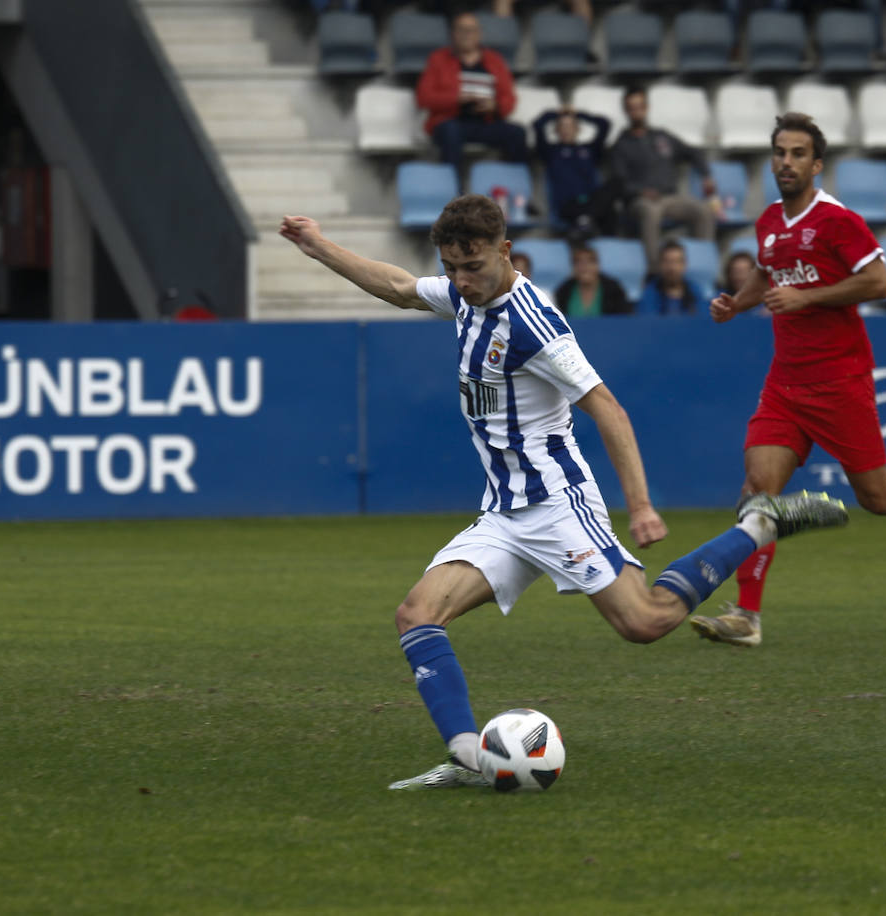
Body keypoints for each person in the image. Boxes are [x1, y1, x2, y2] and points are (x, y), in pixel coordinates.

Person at [279, 194, 849, 789]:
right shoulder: (465, 298)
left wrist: (643, 506)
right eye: (451, 267)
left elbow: (610, 411)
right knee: (417, 614)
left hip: (557, 503)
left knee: (646, 622)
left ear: (505, 253)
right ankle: (472, 760)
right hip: (503, 513)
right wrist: (317, 245)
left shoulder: (535, 325)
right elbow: (397, 285)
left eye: (472, 267)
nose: (460, 281)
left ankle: (757, 526)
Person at [689, 112, 886, 650]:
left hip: (840, 381)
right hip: (785, 384)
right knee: (757, 493)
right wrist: (735, 304)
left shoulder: (837, 220)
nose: (786, 163)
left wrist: (807, 298)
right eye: (779, 153)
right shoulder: (769, 221)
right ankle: (747, 615)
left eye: (797, 154)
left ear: (816, 164)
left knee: (877, 498)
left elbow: (878, 281)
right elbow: (768, 271)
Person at [608, 87, 715, 273]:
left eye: (640, 106)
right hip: (639, 202)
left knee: (704, 210)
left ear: (647, 107)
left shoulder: (662, 136)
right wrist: (640, 191)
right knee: (651, 212)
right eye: (631, 108)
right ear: (626, 111)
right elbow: (619, 183)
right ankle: (656, 273)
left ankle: (701, 267)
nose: (636, 111)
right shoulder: (621, 145)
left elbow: (693, 152)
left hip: (669, 198)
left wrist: (706, 175)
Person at [416, 12, 526, 178]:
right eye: (462, 29)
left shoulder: (494, 60)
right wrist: (456, 99)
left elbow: (509, 98)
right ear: (453, 34)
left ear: (479, 34)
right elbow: (423, 97)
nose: (467, 34)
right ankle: (455, 197)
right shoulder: (438, 59)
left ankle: (517, 191)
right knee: (450, 132)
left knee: (517, 133)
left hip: (486, 121)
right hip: (451, 121)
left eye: (471, 30)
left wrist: (495, 105)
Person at [533, 105, 617, 239]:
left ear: (577, 129)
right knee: (604, 214)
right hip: (567, 205)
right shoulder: (550, 152)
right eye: (562, 126)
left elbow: (605, 125)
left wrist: (578, 113)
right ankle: (585, 222)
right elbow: (537, 125)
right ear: (556, 130)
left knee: (616, 184)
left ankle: (585, 221)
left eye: (570, 126)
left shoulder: (589, 150)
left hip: (591, 202)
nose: (566, 130)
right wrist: (557, 113)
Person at [553, 244, 632, 317]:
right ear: (573, 267)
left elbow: (624, 319)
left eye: (590, 261)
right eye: (578, 262)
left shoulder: (614, 290)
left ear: (598, 265)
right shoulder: (563, 291)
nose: (584, 267)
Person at [637, 240, 707, 316]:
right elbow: (647, 324)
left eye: (677, 262)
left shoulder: (695, 291)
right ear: (659, 265)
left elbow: (701, 322)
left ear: (684, 265)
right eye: (667, 262)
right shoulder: (650, 294)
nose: (672, 268)